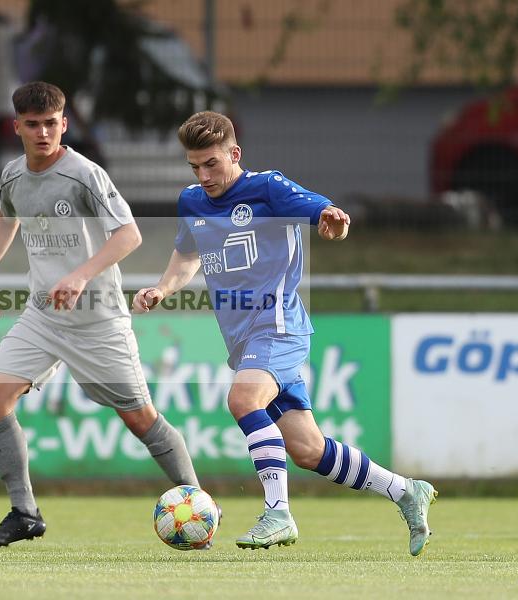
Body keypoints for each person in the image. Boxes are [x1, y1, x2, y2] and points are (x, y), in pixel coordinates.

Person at [133, 111, 437, 556]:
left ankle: (278, 512)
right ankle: (407, 491)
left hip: (278, 326)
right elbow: (186, 258)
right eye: (195, 166)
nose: (204, 175)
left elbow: (316, 205)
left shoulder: (267, 188)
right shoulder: (193, 201)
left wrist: (329, 215)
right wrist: (162, 288)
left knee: (242, 400)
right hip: (243, 338)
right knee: (308, 450)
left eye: (212, 163)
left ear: (234, 154)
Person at [0, 82, 201, 548]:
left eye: (51, 124)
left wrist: (79, 276)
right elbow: (5, 218)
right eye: (32, 125)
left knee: (141, 419)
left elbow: (129, 235)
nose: (42, 133)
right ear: (17, 126)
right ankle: (25, 513)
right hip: (43, 317)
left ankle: (196, 505)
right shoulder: (13, 175)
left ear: (64, 124)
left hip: (98, 320)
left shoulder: (84, 175)